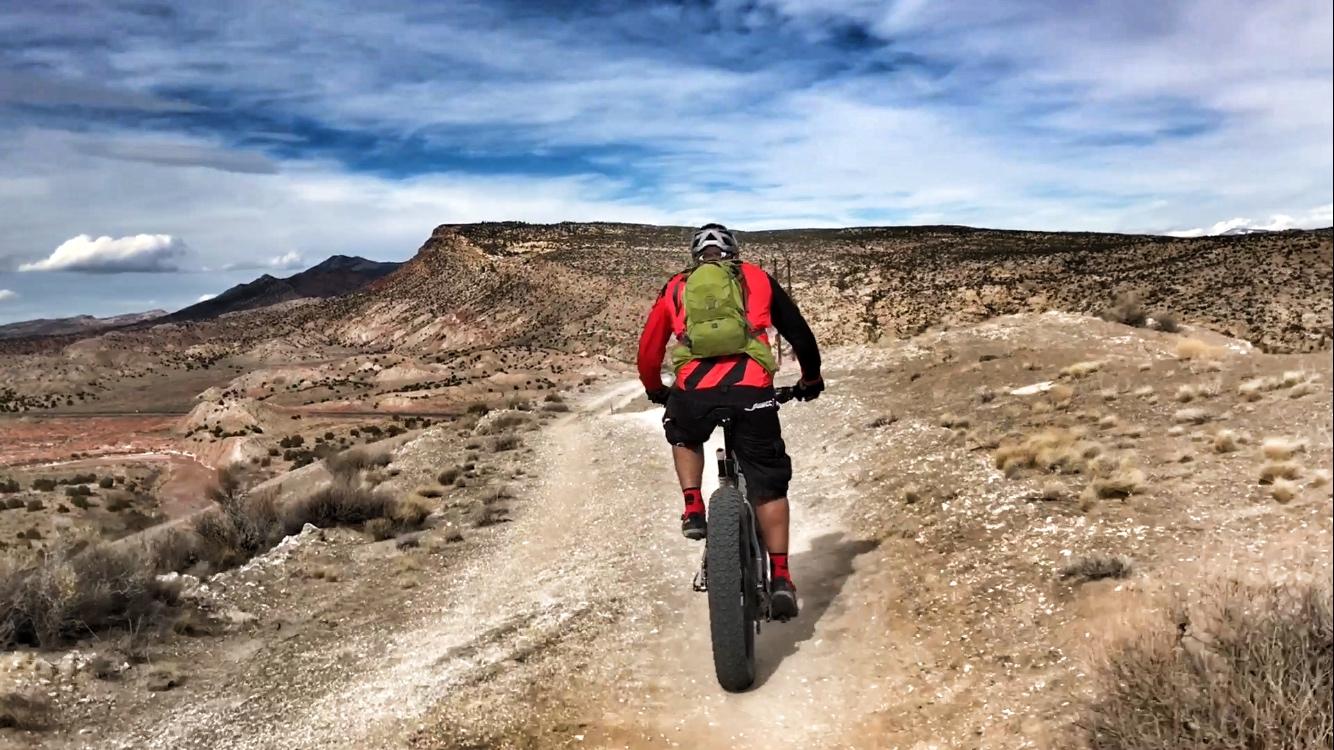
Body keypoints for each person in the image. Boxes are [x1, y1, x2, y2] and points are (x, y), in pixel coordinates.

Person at [637, 223, 823, 620]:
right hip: (752, 389)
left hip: (694, 390)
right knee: (768, 484)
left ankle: (692, 506)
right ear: (734, 251)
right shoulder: (757, 278)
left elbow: (649, 348)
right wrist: (810, 379)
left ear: (694, 255)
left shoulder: (676, 287)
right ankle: (781, 578)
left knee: (683, 434)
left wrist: (656, 389)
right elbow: (800, 335)